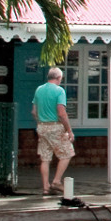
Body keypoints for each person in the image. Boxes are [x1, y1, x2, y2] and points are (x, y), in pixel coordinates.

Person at [32, 67, 73, 195]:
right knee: (67, 153)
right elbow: (61, 112)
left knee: (45, 157)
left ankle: (46, 187)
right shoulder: (59, 91)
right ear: (59, 78)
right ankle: (56, 181)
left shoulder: (39, 89)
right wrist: (69, 130)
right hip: (55, 126)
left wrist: (40, 122)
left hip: (42, 126)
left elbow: (34, 111)